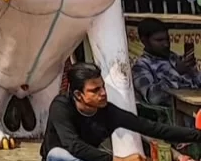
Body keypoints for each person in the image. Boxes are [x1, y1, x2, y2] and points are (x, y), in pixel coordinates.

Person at [41, 62, 201, 161]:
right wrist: (119, 160)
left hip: (89, 158)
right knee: (60, 153)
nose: (103, 93)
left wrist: (198, 135)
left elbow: (153, 128)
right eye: (95, 90)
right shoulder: (61, 106)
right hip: (57, 158)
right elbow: (73, 146)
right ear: (78, 95)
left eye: (102, 86)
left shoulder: (108, 112)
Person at [133, 18, 201, 108]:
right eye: (159, 40)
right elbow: (153, 97)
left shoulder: (175, 58)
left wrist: (193, 71)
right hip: (175, 115)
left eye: (167, 39)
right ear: (144, 41)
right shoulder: (141, 67)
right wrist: (176, 72)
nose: (166, 44)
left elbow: (196, 84)